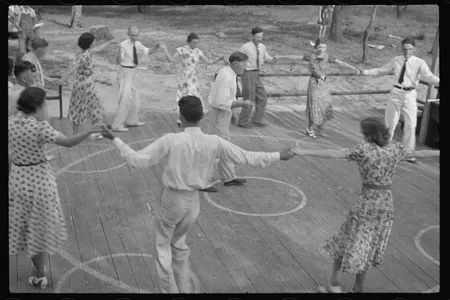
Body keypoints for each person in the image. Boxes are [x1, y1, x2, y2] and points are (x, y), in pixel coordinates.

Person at [100, 95, 294, 293]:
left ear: (180, 116)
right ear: (202, 116)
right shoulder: (214, 142)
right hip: (193, 203)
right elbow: (247, 157)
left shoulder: (171, 140)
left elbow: (137, 160)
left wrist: (114, 139)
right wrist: (279, 155)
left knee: (162, 248)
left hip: (172, 200)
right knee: (180, 246)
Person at [290, 117, 439, 293]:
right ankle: (356, 287)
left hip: (367, 203)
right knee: (367, 246)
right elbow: (419, 154)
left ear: (368, 136)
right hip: (385, 205)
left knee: (345, 239)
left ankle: (335, 285)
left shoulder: (363, 150)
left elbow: (336, 153)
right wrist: (440, 152)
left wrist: (304, 151)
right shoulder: (394, 150)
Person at [9, 87, 102, 289]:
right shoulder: (39, 128)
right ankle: (41, 273)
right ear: (37, 106)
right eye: (45, 104)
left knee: (27, 229)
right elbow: (68, 142)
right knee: (39, 229)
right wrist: (90, 130)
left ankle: (38, 270)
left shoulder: (11, 122)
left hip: (17, 180)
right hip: (38, 183)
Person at [360, 37, 440, 163]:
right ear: (401, 49)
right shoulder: (396, 60)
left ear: (414, 49)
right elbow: (382, 70)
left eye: (409, 49)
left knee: (411, 125)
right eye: (404, 49)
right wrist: (365, 72)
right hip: (396, 92)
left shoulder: (419, 63)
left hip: (410, 94)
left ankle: (408, 153)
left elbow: (429, 77)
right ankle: (384, 150)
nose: (407, 52)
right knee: (389, 124)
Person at [276, 38, 360, 138]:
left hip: (323, 85)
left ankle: (320, 127)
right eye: (320, 47)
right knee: (314, 106)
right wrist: (281, 56)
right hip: (314, 83)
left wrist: (353, 68)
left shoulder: (328, 57)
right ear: (316, 47)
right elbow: (295, 57)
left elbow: (341, 63)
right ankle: (310, 128)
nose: (322, 49)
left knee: (324, 106)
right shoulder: (310, 56)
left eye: (324, 47)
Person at [201, 51, 254, 193]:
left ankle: (228, 176)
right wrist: (242, 104)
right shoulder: (227, 76)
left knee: (226, 147)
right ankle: (202, 182)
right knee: (214, 148)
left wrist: (233, 112)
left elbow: (226, 100)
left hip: (223, 114)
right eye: (243, 64)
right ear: (235, 63)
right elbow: (220, 102)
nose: (245, 67)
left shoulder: (228, 72)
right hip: (218, 115)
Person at [160, 32, 226, 128]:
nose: (195, 45)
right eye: (194, 43)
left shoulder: (198, 51)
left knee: (193, 97)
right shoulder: (181, 50)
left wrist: (219, 59)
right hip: (185, 77)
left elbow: (208, 62)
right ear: (188, 42)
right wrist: (165, 49)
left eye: (197, 43)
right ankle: (181, 117)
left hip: (193, 78)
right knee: (185, 97)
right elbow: (170, 59)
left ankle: (190, 118)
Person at [61, 32, 116, 138]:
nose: (94, 43)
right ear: (89, 43)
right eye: (93, 41)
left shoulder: (81, 52)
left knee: (78, 107)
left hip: (78, 83)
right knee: (94, 107)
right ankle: (95, 132)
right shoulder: (85, 55)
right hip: (86, 84)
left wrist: (110, 42)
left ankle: (76, 134)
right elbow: (74, 67)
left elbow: (98, 49)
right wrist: (63, 78)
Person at [112, 26, 161, 132]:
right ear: (128, 34)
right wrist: (119, 49)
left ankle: (131, 120)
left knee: (135, 98)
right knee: (124, 99)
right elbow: (118, 61)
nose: (134, 37)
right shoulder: (124, 45)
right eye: (132, 35)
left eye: (136, 35)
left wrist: (156, 47)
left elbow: (148, 51)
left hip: (132, 73)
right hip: (124, 72)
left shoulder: (138, 44)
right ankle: (117, 125)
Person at [238, 26, 281, 128]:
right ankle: (242, 121)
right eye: (257, 37)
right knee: (249, 98)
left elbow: (266, 58)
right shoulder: (245, 47)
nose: (259, 39)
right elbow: (238, 59)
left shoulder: (262, 47)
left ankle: (257, 120)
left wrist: (273, 59)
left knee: (262, 97)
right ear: (252, 36)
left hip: (257, 74)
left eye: (261, 37)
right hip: (248, 73)